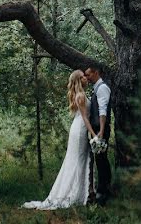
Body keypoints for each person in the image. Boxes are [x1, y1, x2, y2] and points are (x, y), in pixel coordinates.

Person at [22, 70, 96, 210]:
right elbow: (85, 118)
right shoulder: (80, 96)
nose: (86, 78)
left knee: (80, 160)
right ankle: (74, 193)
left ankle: (83, 191)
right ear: (79, 80)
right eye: (83, 77)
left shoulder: (81, 94)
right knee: (77, 160)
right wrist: (94, 134)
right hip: (80, 130)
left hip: (78, 128)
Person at [84, 66, 112, 204]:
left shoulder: (102, 88)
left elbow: (103, 110)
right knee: (100, 159)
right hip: (96, 128)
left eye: (89, 75)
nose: (87, 78)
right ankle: (104, 189)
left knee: (101, 160)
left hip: (101, 129)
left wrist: (100, 131)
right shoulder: (96, 88)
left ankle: (103, 193)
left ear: (96, 73)